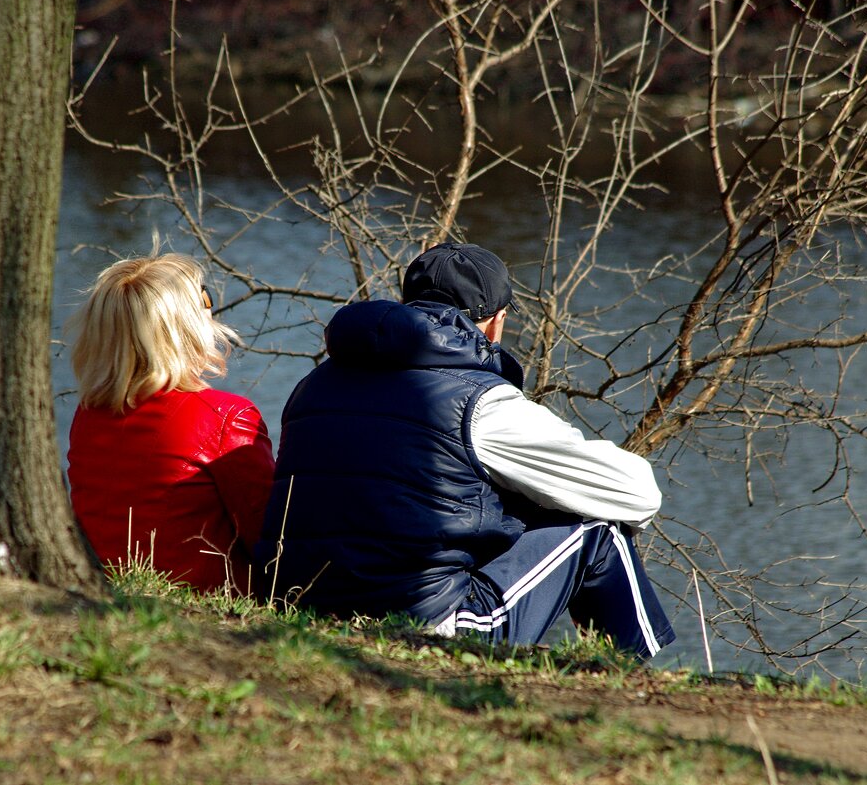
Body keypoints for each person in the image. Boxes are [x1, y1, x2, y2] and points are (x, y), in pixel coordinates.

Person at [255, 242, 674, 658]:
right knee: (599, 531)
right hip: (425, 630)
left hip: (300, 609)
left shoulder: (313, 386)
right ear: (495, 323)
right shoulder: (481, 404)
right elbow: (638, 494)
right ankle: (629, 679)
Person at [67, 254, 274, 595]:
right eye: (205, 299)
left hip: (108, 593)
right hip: (208, 599)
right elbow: (270, 537)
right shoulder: (225, 416)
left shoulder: (88, 415)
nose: (212, 308)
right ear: (185, 326)